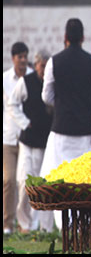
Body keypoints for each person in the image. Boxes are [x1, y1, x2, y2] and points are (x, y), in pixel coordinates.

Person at [40, 18, 91, 228]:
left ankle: (64, 228)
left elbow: (46, 95)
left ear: (65, 38)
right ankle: (83, 226)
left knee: (60, 182)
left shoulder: (54, 61)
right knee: (84, 183)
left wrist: (60, 103)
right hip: (86, 133)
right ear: (83, 38)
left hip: (61, 131)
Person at [7, 50, 54, 233]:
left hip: (46, 143)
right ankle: (26, 225)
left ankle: (44, 227)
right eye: (42, 66)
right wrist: (25, 123)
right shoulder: (25, 82)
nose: (44, 70)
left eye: (46, 67)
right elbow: (12, 104)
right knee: (24, 183)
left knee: (44, 185)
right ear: (36, 66)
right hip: (28, 142)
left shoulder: (53, 83)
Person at [3, 42, 33, 234]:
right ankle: (7, 223)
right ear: (13, 58)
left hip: (28, 138)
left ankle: (26, 224)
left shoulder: (32, 77)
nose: (22, 60)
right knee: (8, 180)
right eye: (19, 57)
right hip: (8, 137)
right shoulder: (5, 79)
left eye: (25, 56)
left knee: (25, 182)